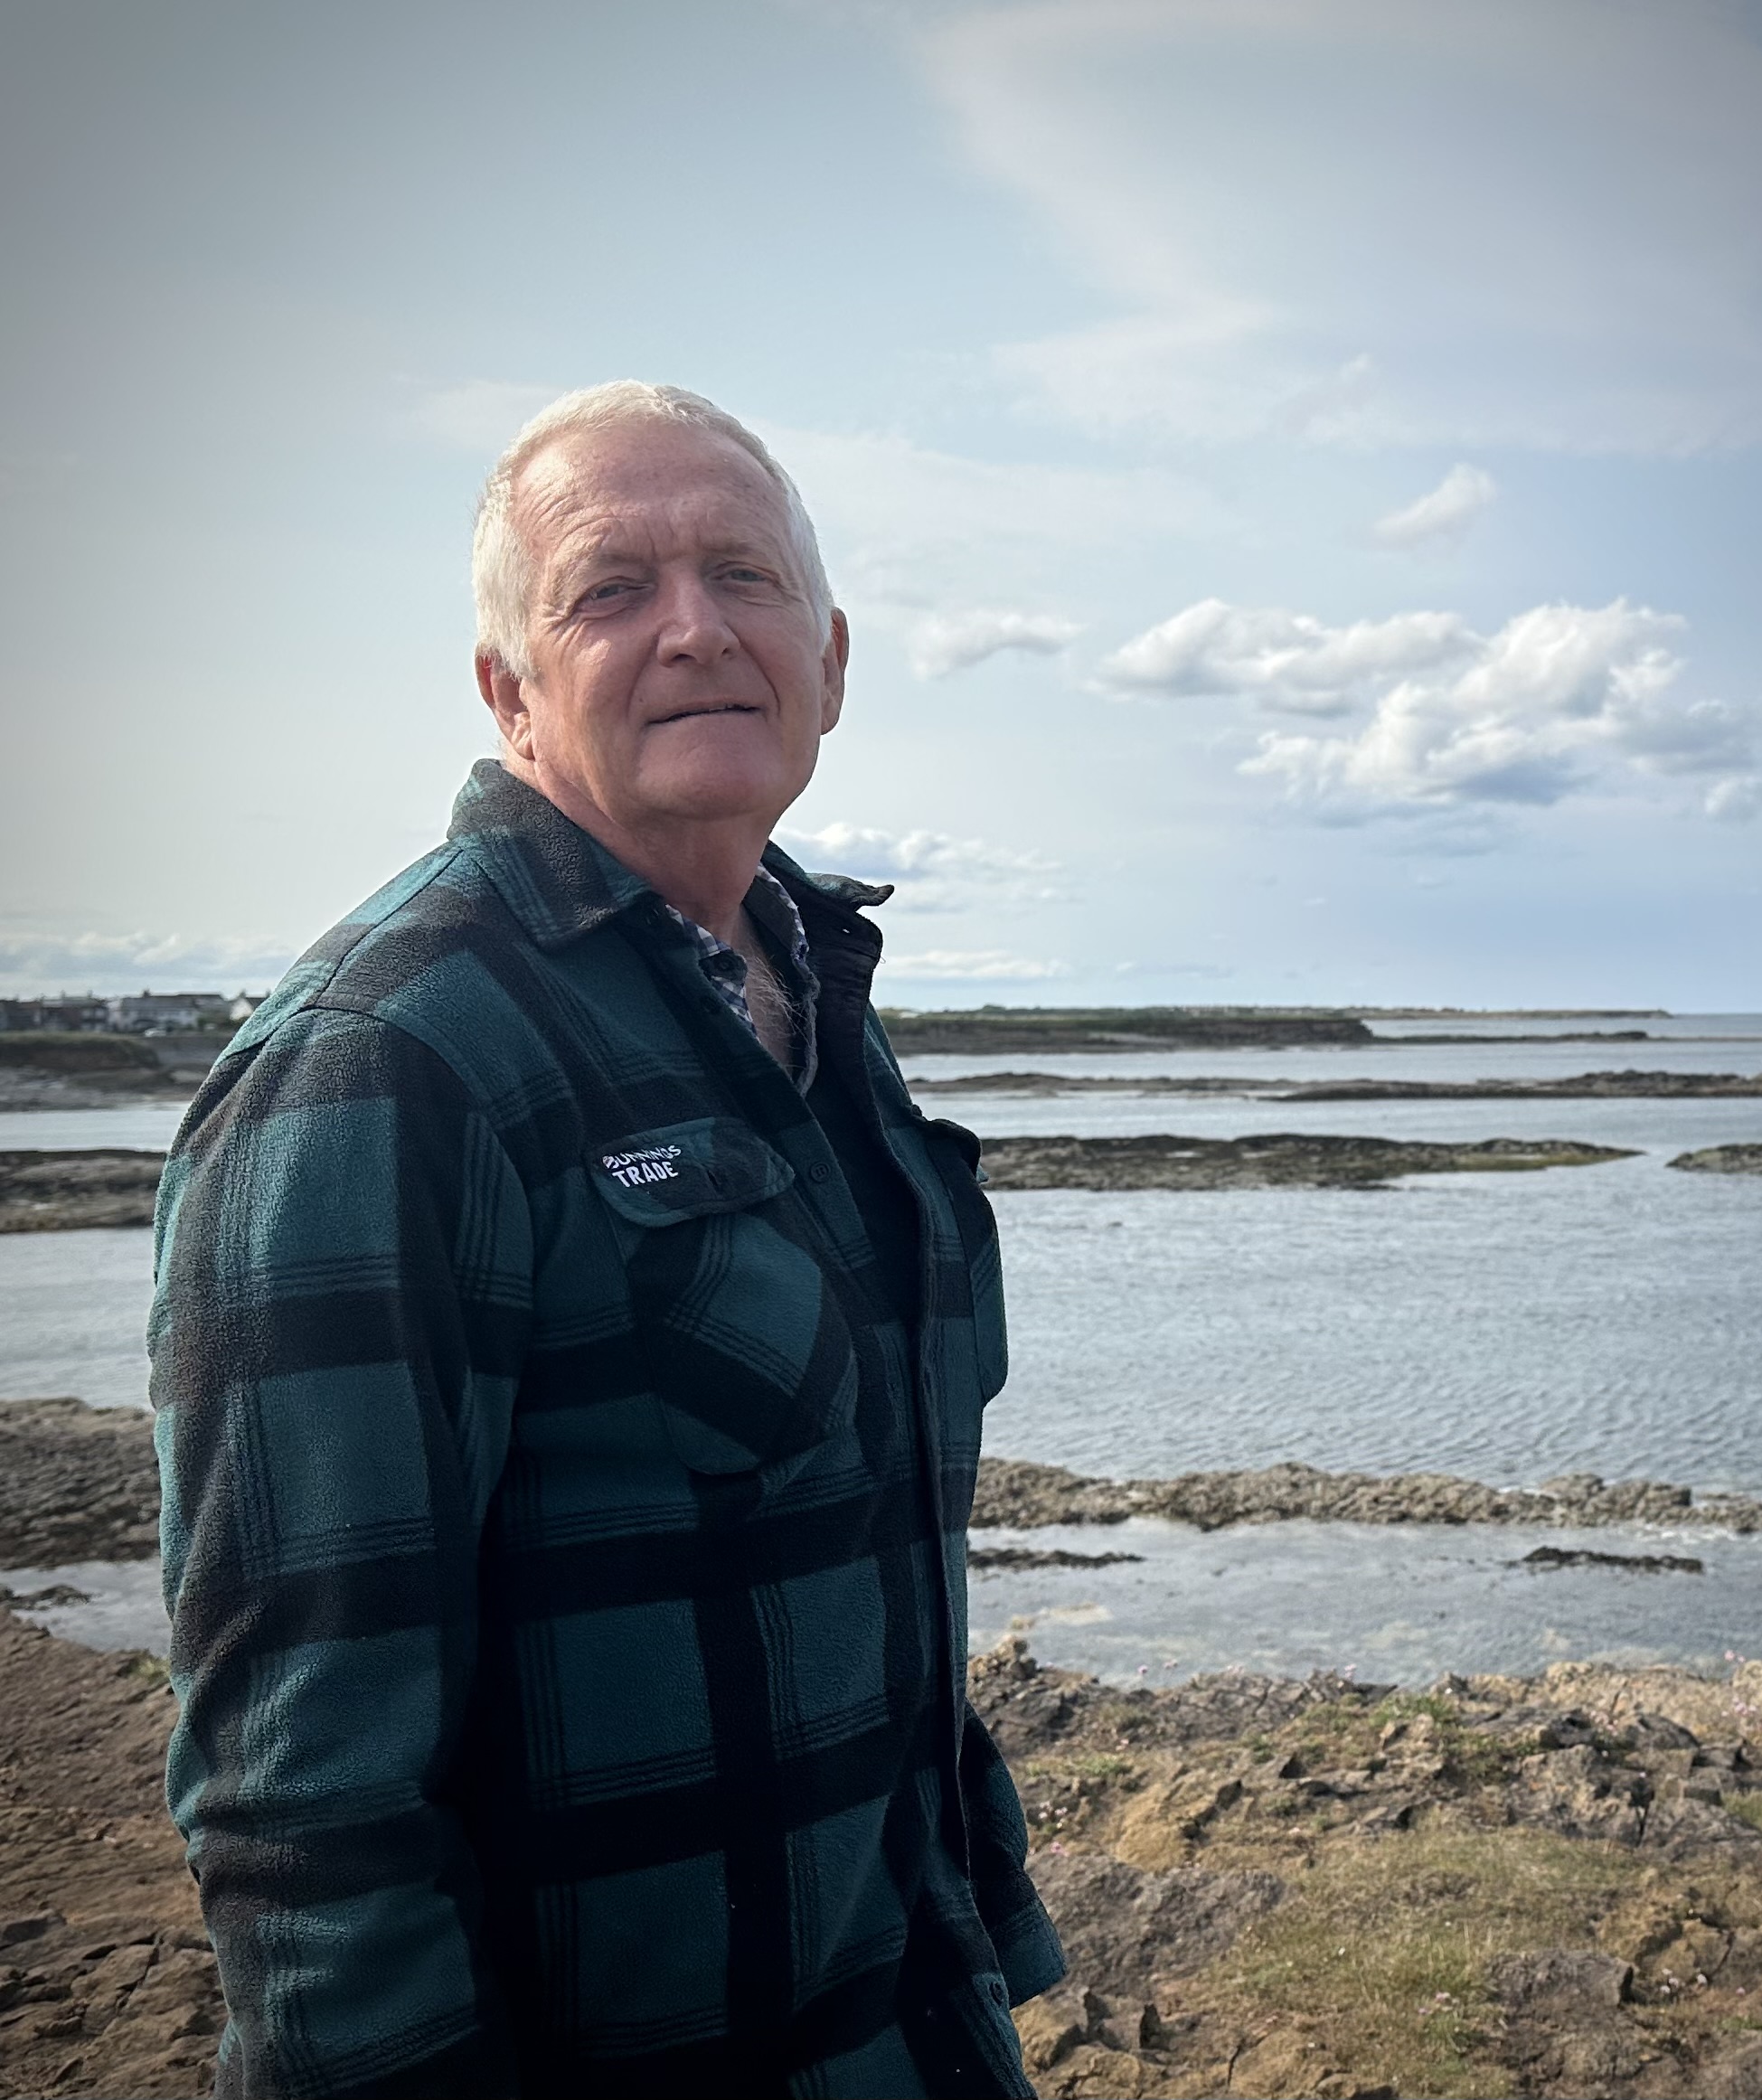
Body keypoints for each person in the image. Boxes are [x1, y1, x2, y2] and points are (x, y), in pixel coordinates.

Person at [149, 381, 1062, 2099]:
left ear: (831, 661)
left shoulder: (807, 992)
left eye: (744, 575)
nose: (697, 628)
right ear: (509, 691)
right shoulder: (386, 1061)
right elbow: (301, 1799)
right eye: (611, 590)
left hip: (904, 2020)